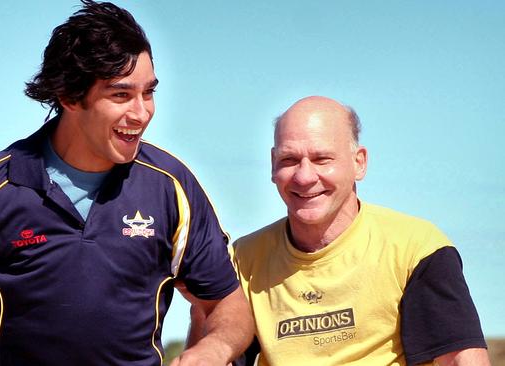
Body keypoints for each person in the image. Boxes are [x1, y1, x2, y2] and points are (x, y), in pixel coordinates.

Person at [0, 1, 253, 365]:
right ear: (68, 96)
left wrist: (214, 348)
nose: (141, 113)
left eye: (148, 93)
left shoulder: (170, 185)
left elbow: (227, 303)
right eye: (120, 94)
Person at [188, 95, 490, 365]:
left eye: (322, 159)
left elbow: (462, 359)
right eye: (289, 160)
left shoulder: (415, 248)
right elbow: (210, 353)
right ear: (272, 165)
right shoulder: (244, 259)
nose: (304, 176)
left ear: (359, 163)